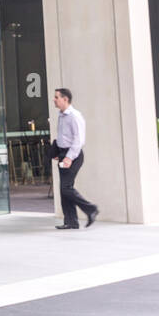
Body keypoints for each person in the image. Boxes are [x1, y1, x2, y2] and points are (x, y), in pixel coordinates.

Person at [51, 87, 99, 229]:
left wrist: (69, 157)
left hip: (73, 155)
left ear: (65, 99)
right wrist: (58, 152)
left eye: (56, 97)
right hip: (62, 154)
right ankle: (71, 222)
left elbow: (78, 140)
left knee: (66, 188)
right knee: (63, 189)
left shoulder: (75, 116)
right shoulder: (61, 115)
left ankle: (91, 209)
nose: (54, 99)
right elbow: (63, 136)